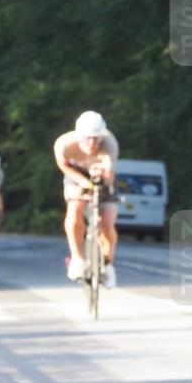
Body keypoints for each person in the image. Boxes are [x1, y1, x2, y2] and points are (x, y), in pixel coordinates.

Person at [54, 111, 119, 288]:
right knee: (75, 207)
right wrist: (83, 183)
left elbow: (109, 172)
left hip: (101, 175)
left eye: (96, 139)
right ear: (79, 136)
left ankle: (108, 264)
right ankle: (77, 259)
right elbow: (64, 167)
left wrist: (103, 176)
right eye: (88, 138)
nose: (93, 143)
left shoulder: (109, 142)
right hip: (76, 175)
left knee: (107, 222)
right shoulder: (64, 144)